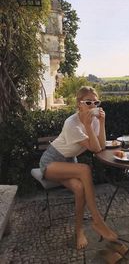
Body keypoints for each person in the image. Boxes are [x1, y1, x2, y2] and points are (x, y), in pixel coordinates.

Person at [39, 86, 118, 249]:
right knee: (85, 169)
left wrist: (102, 122)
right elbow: (95, 149)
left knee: (79, 188)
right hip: (51, 162)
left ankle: (79, 231)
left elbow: (101, 146)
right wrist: (89, 126)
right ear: (79, 104)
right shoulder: (71, 124)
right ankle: (97, 220)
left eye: (96, 102)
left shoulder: (94, 120)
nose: (92, 106)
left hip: (69, 163)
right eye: (88, 102)